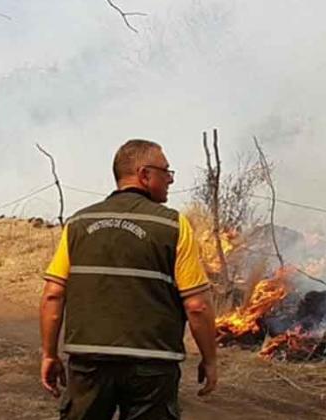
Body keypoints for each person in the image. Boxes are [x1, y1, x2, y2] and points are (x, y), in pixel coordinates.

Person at [39, 139, 218, 420]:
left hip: (89, 363)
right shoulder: (174, 225)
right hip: (153, 366)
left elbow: (52, 294)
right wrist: (210, 359)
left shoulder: (77, 223)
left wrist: (49, 354)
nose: (170, 179)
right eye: (166, 171)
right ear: (145, 175)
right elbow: (197, 305)